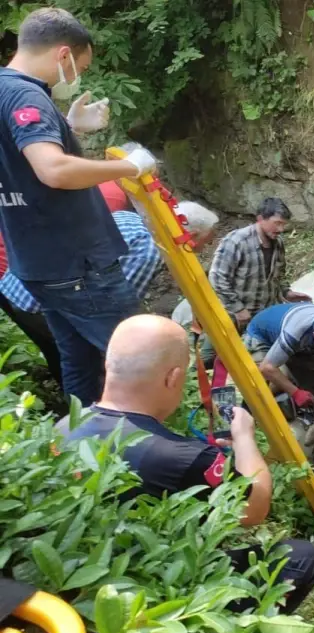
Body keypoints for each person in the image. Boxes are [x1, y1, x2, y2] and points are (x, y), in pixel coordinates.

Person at [57, 315, 314, 614]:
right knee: (301, 556)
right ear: (173, 378)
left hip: (84, 576)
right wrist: (244, 438)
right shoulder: (177, 455)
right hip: (158, 592)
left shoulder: (64, 426)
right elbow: (254, 509)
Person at [0, 8, 159, 405]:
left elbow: (17, 160)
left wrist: (67, 127)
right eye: (79, 66)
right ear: (63, 54)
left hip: (37, 263)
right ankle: (155, 454)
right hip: (76, 262)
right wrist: (129, 165)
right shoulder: (25, 93)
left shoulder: (5, 88)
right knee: (142, 359)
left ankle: (84, 445)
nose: (75, 76)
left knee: (80, 361)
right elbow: (52, 169)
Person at [0, 183, 218, 387]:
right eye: (205, 242)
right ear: (191, 234)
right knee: (94, 359)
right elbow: (119, 302)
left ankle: (75, 412)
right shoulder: (150, 248)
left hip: (19, 283)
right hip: (40, 299)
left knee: (66, 355)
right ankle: (108, 411)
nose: (202, 249)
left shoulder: (127, 217)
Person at [209, 197, 311, 332]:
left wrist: (287, 292)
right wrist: (238, 309)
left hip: (264, 314)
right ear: (260, 218)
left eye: (283, 224)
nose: (281, 229)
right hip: (233, 315)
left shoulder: (278, 243)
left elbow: (279, 275)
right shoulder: (237, 241)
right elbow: (217, 278)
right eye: (277, 223)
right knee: (213, 353)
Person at [243, 303, 314, 416]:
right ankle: (248, 411)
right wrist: (296, 393)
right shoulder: (295, 333)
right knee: (261, 381)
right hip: (261, 336)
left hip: (301, 341)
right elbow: (266, 367)